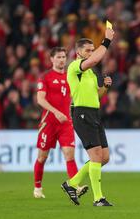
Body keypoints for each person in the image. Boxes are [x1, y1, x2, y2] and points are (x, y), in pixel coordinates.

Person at [61, 26, 115, 207]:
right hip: (81, 113)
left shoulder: (91, 72)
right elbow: (93, 61)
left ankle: (72, 183)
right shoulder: (76, 67)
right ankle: (98, 198)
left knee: (104, 157)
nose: (91, 54)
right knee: (96, 155)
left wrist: (105, 87)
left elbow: (97, 95)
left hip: (93, 113)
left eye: (93, 50)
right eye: (88, 50)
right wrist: (106, 41)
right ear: (78, 52)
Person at [33, 47, 88, 199]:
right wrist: (56, 112)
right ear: (51, 59)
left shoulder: (71, 75)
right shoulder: (46, 77)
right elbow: (40, 99)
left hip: (66, 123)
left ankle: (75, 186)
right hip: (49, 123)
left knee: (70, 155)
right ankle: (37, 187)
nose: (62, 60)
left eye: (63, 57)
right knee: (42, 157)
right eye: (58, 57)